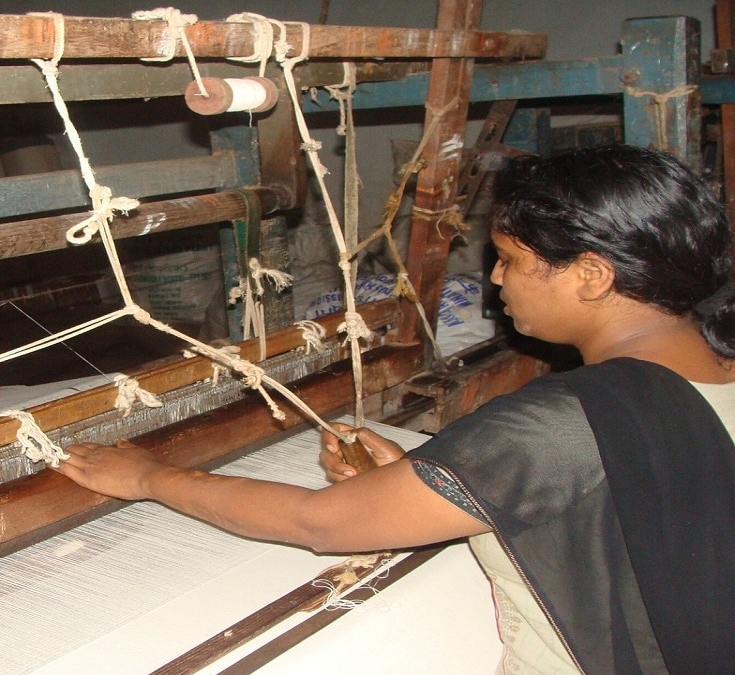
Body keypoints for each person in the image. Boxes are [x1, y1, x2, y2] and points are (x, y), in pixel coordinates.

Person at [54, 144, 735, 674]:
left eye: (508, 258)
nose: (495, 279)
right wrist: (422, 480)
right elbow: (627, 495)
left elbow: (317, 521)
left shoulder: (558, 425)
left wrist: (149, 476)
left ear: (591, 275)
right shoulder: (712, 371)